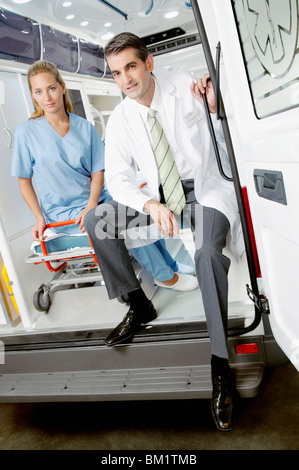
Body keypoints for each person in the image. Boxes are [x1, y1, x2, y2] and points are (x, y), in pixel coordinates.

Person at [84, 33, 244, 431]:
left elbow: (225, 134)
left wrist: (213, 106)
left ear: (148, 63)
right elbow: (119, 180)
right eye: (117, 73)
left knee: (206, 254)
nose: (125, 80)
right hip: (160, 200)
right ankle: (139, 304)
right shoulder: (121, 118)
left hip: (205, 192)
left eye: (131, 67)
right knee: (96, 220)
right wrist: (150, 205)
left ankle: (220, 365)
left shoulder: (184, 86)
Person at [10, 60, 198, 291]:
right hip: (64, 211)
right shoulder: (26, 133)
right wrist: (39, 217)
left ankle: (170, 264)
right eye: (38, 92)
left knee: (138, 211)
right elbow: (24, 181)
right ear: (33, 95)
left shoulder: (84, 127)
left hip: (96, 198)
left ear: (62, 87)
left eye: (51, 88)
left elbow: (97, 172)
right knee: (122, 225)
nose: (47, 97)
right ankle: (165, 276)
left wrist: (91, 203)